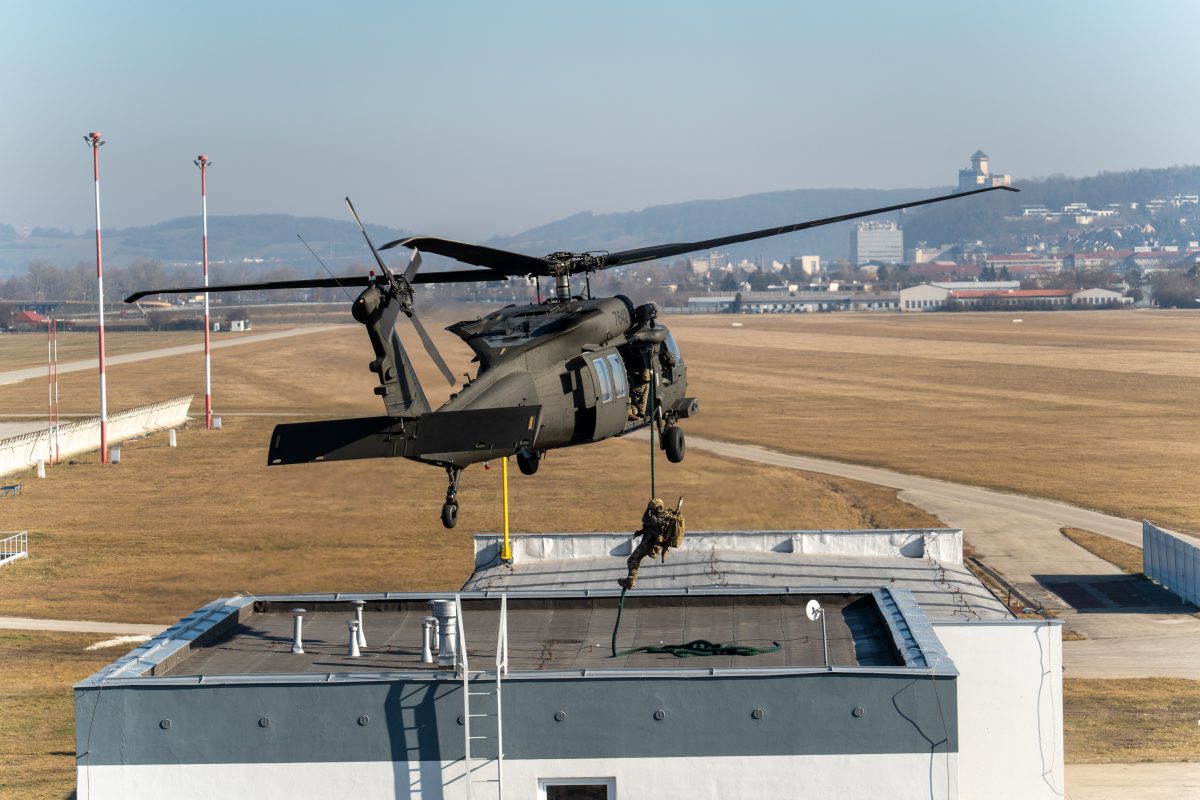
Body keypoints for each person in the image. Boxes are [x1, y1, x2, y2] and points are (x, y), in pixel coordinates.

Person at [618, 497, 685, 589]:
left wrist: (648, 510)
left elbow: (645, 519)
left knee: (633, 559)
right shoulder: (668, 515)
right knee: (635, 559)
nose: (650, 510)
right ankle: (631, 580)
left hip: (650, 543)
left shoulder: (654, 519)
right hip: (655, 542)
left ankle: (630, 581)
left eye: (652, 509)